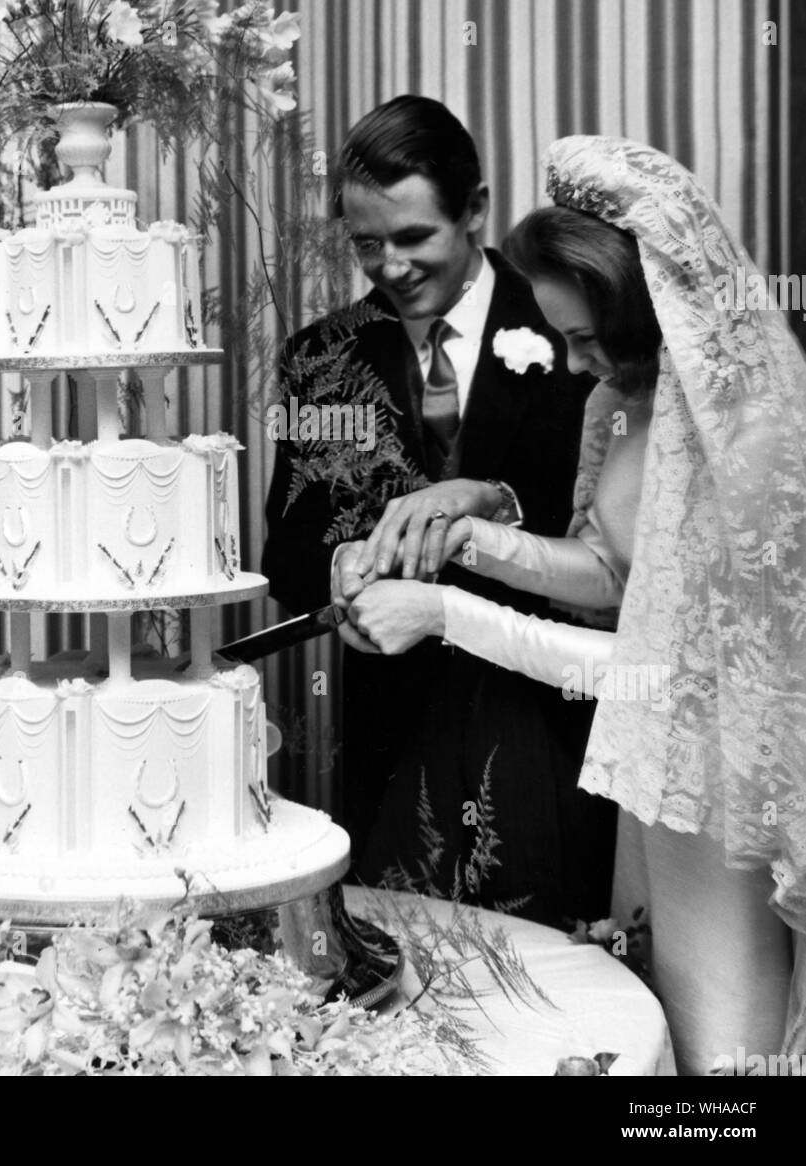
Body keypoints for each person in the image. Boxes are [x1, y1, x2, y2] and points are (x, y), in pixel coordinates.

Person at [340, 134, 806, 1074]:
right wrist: (465, 540)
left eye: (590, 338)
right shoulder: (617, 403)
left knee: (726, 1053)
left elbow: (661, 673)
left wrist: (443, 615)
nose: (577, 363)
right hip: (651, 792)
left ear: (648, 308)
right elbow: (608, 577)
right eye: (563, 339)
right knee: (662, 1030)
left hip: (726, 792)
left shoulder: (747, 436)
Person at [262, 96, 615, 927]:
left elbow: (623, 542)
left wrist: (502, 501)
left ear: (476, 210)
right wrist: (343, 567)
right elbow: (286, 549)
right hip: (394, 728)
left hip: (550, 718)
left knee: (555, 975)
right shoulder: (321, 356)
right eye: (366, 245)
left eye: (414, 237)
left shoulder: (573, 323)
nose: (389, 267)